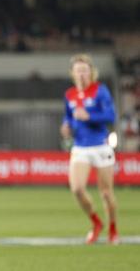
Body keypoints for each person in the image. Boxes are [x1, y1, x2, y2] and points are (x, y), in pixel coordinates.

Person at [61, 54, 118, 244]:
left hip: (100, 145)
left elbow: (111, 116)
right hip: (80, 146)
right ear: (73, 73)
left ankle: (112, 228)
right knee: (77, 189)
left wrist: (89, 117)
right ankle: (96, 222)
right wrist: (66, 127)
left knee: (106, 193)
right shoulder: (69, 95)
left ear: (91, 72)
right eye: (78, 71)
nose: (82, 74)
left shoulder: (100, 91)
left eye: (85, 70)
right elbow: (68, 116)